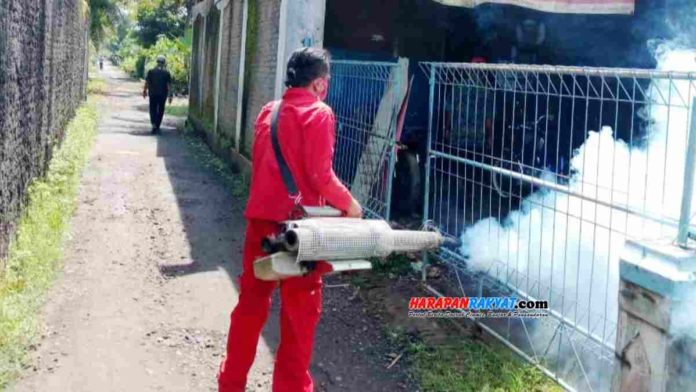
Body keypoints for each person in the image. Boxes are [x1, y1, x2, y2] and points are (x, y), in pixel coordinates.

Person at [217, 47, 363, 392]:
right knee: (299, 315)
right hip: (301, 233)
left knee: (251, 305)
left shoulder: (268, 112)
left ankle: (230, 382)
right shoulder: (320, 113)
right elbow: (320, 176)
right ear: (320, 84)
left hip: (260, 224)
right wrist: (352, 206)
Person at [142, 55, 173, 134]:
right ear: (164, 63)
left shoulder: (151, 71)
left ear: (157, 62)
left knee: (152, 108)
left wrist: (145, 91)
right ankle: (157, 125)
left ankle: (153, 124)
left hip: (153, 94)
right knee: (161, 109)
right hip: (162, 95)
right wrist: (170, 95)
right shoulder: (166, 73)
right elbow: (169, 85)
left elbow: (147, 82)